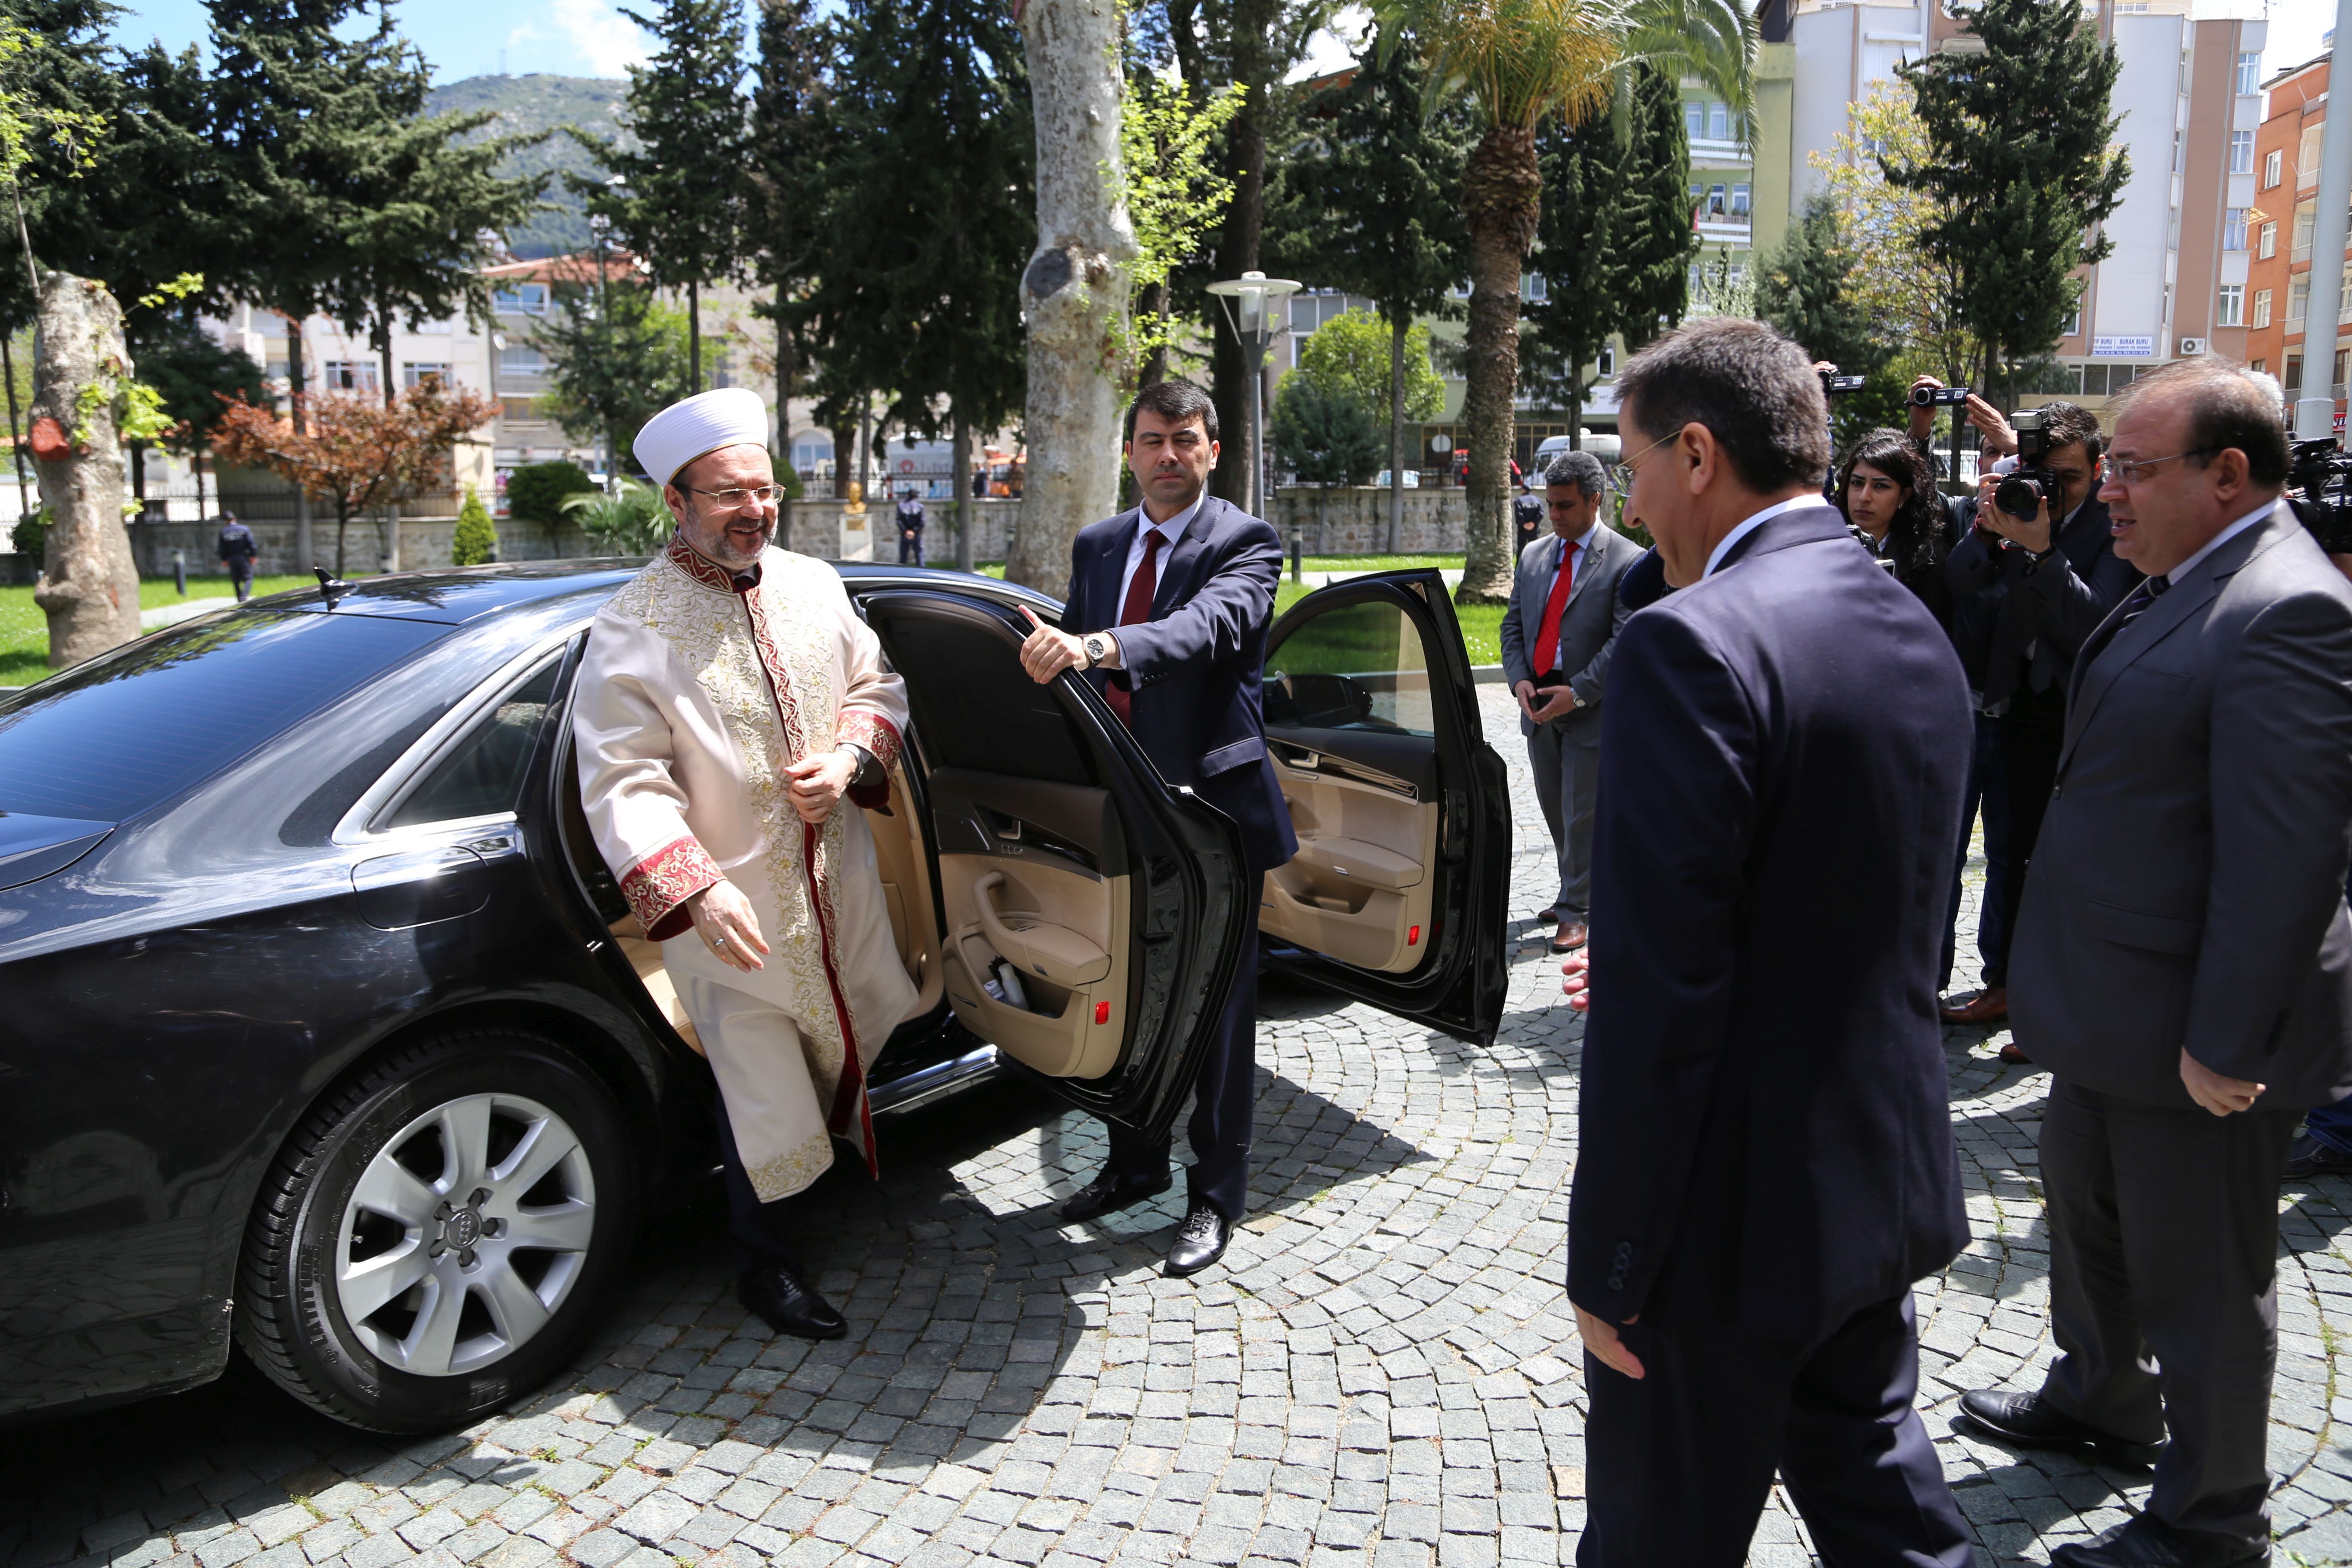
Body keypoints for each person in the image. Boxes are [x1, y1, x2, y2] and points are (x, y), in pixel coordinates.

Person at [1561, 318, 1975, 1568]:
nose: (1631, 505)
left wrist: (1611, 1257)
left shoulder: (1689, 644)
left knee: (1656, 1540)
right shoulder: (1914, 628)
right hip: (1872, 1183)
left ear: (1698, 454)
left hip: (1723, 1233)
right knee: (1881, 1502)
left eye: (1632, 468)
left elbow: (1660, 998)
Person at [1953, 361, 2352, 1568]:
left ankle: (2211, 1519)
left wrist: (2229, 1039)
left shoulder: (2288, 606)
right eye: (2109, 469)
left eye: (2132, 470)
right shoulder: (2182, 576)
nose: (2106, 493)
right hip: (2115, 1010)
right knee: (2085, 1214)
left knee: (2202, 1282)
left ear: (2229, 475)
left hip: (2197, 1033)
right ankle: (2101, 1399)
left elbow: (2290, 860)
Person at [573, 388, 919, 1341]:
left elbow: (876, 684)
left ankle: (839, 1182)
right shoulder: (632, 627)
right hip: (736, 908)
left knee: (839, 1040)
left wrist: (852, 758)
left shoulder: (815, 584)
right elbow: (621, 780)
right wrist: (695, 885)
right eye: (727, 495)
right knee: (756, 1085)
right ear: (676, 503)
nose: (753, 512)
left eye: (763, 492)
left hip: (835, 885)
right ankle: (766, 1267)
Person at [1013, 378, 1295, 1278]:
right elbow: (1067, 658)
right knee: (1131, 1003)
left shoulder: (1246, 542)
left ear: (1213, 449)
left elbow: (1203, 631)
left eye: (1185, 439)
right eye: (1150, 440)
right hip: (1120, 818)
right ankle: (1133, 1165)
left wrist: (1100, 645)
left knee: (1215, 1017)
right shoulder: (1099, 546)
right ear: (1129, 452)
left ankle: (1214, 1198)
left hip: (1212, 820)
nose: (1167, 456)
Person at [1940, 401, 2138, 1035]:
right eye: (2040, 473)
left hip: (2057, 713)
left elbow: (2095, 624)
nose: (2052, 489)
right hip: (1994, 697)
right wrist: (1986, 524)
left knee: (2029, 857)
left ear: (2097, 468)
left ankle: (2020, 992)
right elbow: (1960, 582)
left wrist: (2044, 549)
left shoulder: (2114, 523)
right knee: (1975, 851)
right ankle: (1994, 983)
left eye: (2069, 478)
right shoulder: (2010, 502)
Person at [1498, 450, 1636, 955]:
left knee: (1582, 815)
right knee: (1557, 810)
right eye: (1550, 505)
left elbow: (1624, 641)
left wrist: (1576, 694)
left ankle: (1578, 911)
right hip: (1537, 706)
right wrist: (1519, 683)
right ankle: (1575, 889)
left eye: (1565, 506)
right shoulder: (1535, 555)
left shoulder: (1627, 560)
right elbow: (1512, 626)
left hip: (1588, 709)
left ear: (1595, 500)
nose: (1553, 515)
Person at [217, 511, 258, 602]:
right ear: (235, 519)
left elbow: (222, 548)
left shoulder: (223, 532)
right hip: (243, 557)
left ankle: (239, 598)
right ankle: (244, 596)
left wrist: (224, 559)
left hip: (232, 558)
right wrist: (253, 555)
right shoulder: (244, 529)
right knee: (248, 577)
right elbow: (251, 544)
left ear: (225, 521)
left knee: (236, 579)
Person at [1512, 477, 1547, 556]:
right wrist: (1534, 523)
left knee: (1521, 549)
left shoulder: (1519, 500)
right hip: (1534, 529)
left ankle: (1520, 567)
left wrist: (1524, 524)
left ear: (1524, 490)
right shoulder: (1537, 500)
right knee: (1535, 549)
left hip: (1523, 530)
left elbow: (1519, 514)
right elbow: (1541, 513)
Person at [894, 488, 926, 567]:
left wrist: (906, 531)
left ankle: (902, 575)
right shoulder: (920, 506)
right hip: (916, 535)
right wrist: (914, 531)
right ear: (916, 495)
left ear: (907, 495)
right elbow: (922, 522)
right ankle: (922, 575)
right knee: (919, 557)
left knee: (903, 559)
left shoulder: (901, 505)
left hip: (905, 535)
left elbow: (899, 521)